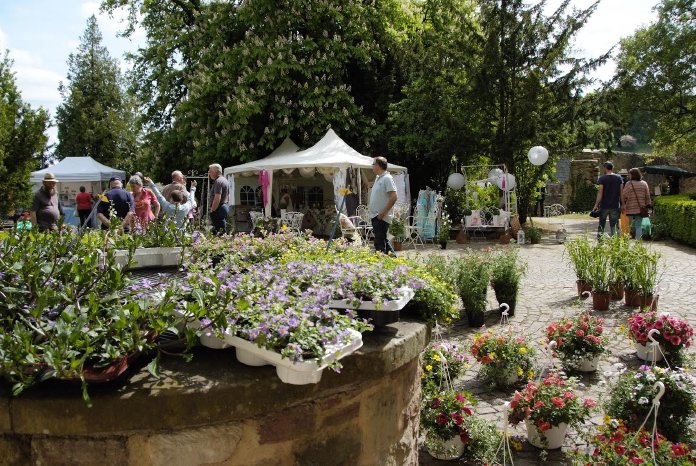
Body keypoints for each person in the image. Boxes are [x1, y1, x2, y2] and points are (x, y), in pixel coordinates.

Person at [367, 156, 398, 255]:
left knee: (379, 243)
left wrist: (383, 213)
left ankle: (380, 266)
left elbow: (393, 197)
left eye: (373, 164)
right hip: (376, 216)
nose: (372, 166)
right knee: (383, 241)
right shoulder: (378, 178)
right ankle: (395, 263)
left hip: (381, 216)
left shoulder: (387, 178)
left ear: (379, 165)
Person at [593, 161, 623, 238]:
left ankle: (600, 242)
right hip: (615, 205)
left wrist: (596, 205)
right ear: (612, 168)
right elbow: (621, 193)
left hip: (604, 205)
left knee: (601, 225)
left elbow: (600, 193)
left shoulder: (602, 179)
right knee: (614, 225)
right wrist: (623, 204)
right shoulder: (619, 178)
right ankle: (615, 242)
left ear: (605, 168)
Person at [622, 168, 652, 240]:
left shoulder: (629, 184)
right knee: (638, 226)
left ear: (632, 175)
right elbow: (647, 196)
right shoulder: (644, 183)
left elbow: (624, 195)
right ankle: (638, 243)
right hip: (640, 208)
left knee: (628, 225)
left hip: (630, 208)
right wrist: (648, 205)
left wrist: (623, 204)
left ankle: (626, 241)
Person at [208, 163, 230, 234]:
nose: (209, 173)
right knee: (220, 229)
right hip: (223, 206)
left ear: (216, 171)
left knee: (219, 231)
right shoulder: (224, 180)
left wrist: (213, 210)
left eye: (210, 171)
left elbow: (217, 198)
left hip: (219, 208)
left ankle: (220, 243)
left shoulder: (218, 181)